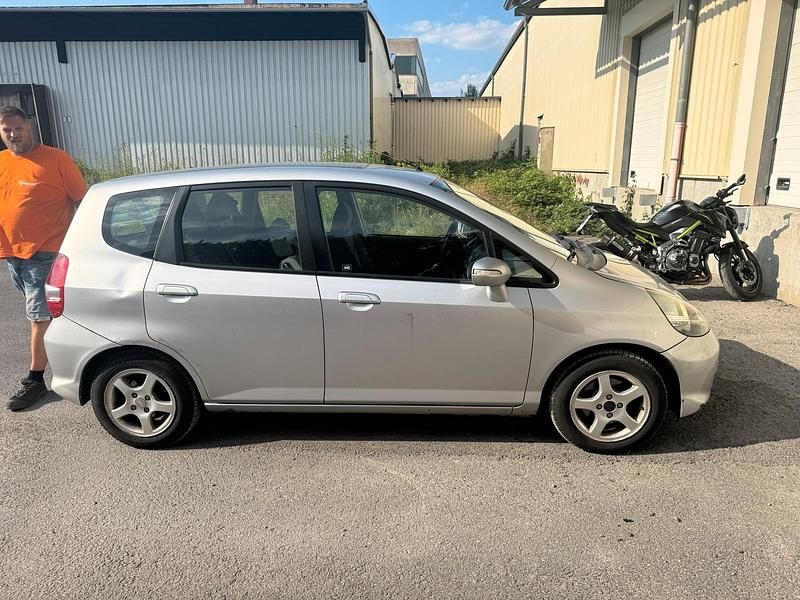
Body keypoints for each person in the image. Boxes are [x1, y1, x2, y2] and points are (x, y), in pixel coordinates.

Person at [0, 105, 88, 411]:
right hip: (13, 256)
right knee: (48, 315)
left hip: (46, 252)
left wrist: (78, 244)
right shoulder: (1, 162)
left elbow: (82, 201)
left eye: (17, 128)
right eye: (6, 130)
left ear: (29, 127)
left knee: (39, 317)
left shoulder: (55, 159)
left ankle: (35, 381)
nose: (13, 135)